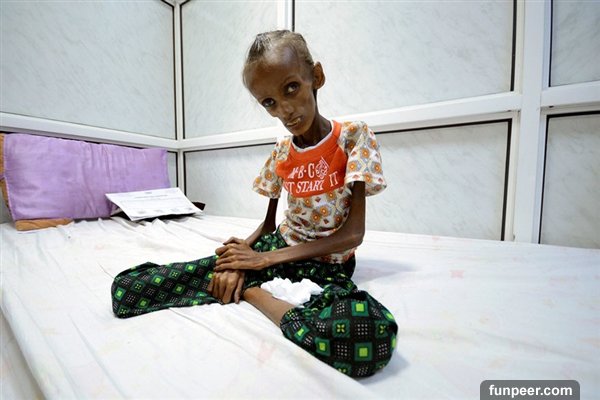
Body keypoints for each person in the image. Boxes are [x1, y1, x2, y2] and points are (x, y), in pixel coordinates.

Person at [111, 30, 397, 378]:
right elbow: (269, 225)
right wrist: (242, 253)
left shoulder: (353, 137)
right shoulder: (282, 151)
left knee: (369, 337)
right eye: (269, 103)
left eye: (291, 88)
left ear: (316, 77)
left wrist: (261, 262)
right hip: (276, 248)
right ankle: (253, 284)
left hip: (328, 266)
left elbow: (353, 235)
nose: (285, 110)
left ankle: (254, 293)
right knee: (127, 291)